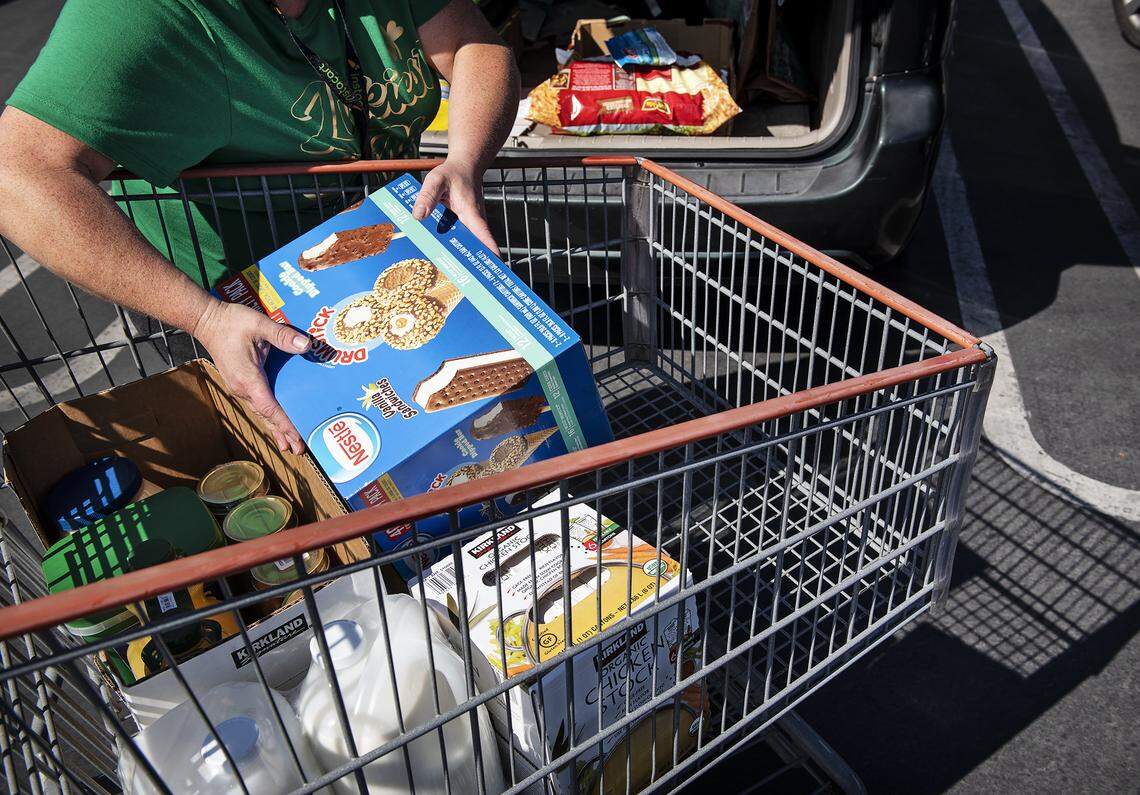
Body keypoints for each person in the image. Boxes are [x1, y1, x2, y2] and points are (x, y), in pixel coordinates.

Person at [0, 0, 520, 454]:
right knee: (308, 474)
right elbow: (18, 172)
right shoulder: (151, 14)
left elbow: (475, 47)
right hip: (241, 302)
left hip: (371, 260)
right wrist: (203, 317)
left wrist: (463, 161)